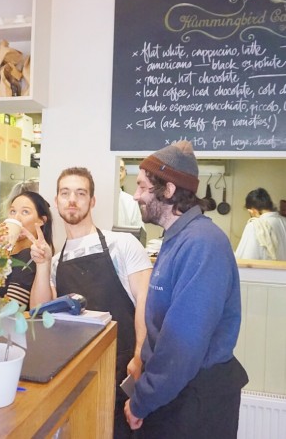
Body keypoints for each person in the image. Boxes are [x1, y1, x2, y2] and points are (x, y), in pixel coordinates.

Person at [124, 141, 248, 438]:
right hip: (176, 391)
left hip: (195, 400)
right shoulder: (176, 238)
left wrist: (142, 401)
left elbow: (182, 345)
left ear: (168, 190)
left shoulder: (202, 244)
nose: (136, 195)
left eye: (142, 187)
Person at [29, 167, 152, 439]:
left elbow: (146, 301)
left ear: (92, 201)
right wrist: (43, 265)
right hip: (78, 376)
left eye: (80, 193)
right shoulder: (56, 261)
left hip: (123, 371)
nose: (72, 200)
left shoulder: (123, 244)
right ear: (57, 201)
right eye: (65, 193)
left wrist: (139, 357)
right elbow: (39, 315)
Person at [0, 190, 53, 310]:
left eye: (25, 212)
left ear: (41, 221)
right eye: (13, 211)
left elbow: (10, 311)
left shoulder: (29, 256)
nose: (16, 218)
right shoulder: (5, 255)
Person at [235, 187, 286, 261]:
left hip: (267, 268)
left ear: (253, 210)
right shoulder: (284, 221)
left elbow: (246, 259)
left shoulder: (255, 226)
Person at [118, 159, 144, 229]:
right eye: (115, 168)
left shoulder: (131, 201)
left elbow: (139, 231)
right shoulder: (98, 197)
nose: (118, 173)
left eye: (121, 169)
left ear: (125, 173)